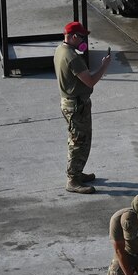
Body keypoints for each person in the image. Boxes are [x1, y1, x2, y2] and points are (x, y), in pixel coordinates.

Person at [53, 21, 111, 195]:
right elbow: (90, 81)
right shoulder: (72, 57)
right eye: (81, 37)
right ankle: (73, 179)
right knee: (79, 142)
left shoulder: (60, 50)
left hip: (71, 103)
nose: (83, 41)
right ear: (74, 37)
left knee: (79, 140)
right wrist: (104, 66)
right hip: (76, 105)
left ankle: (77, 172)